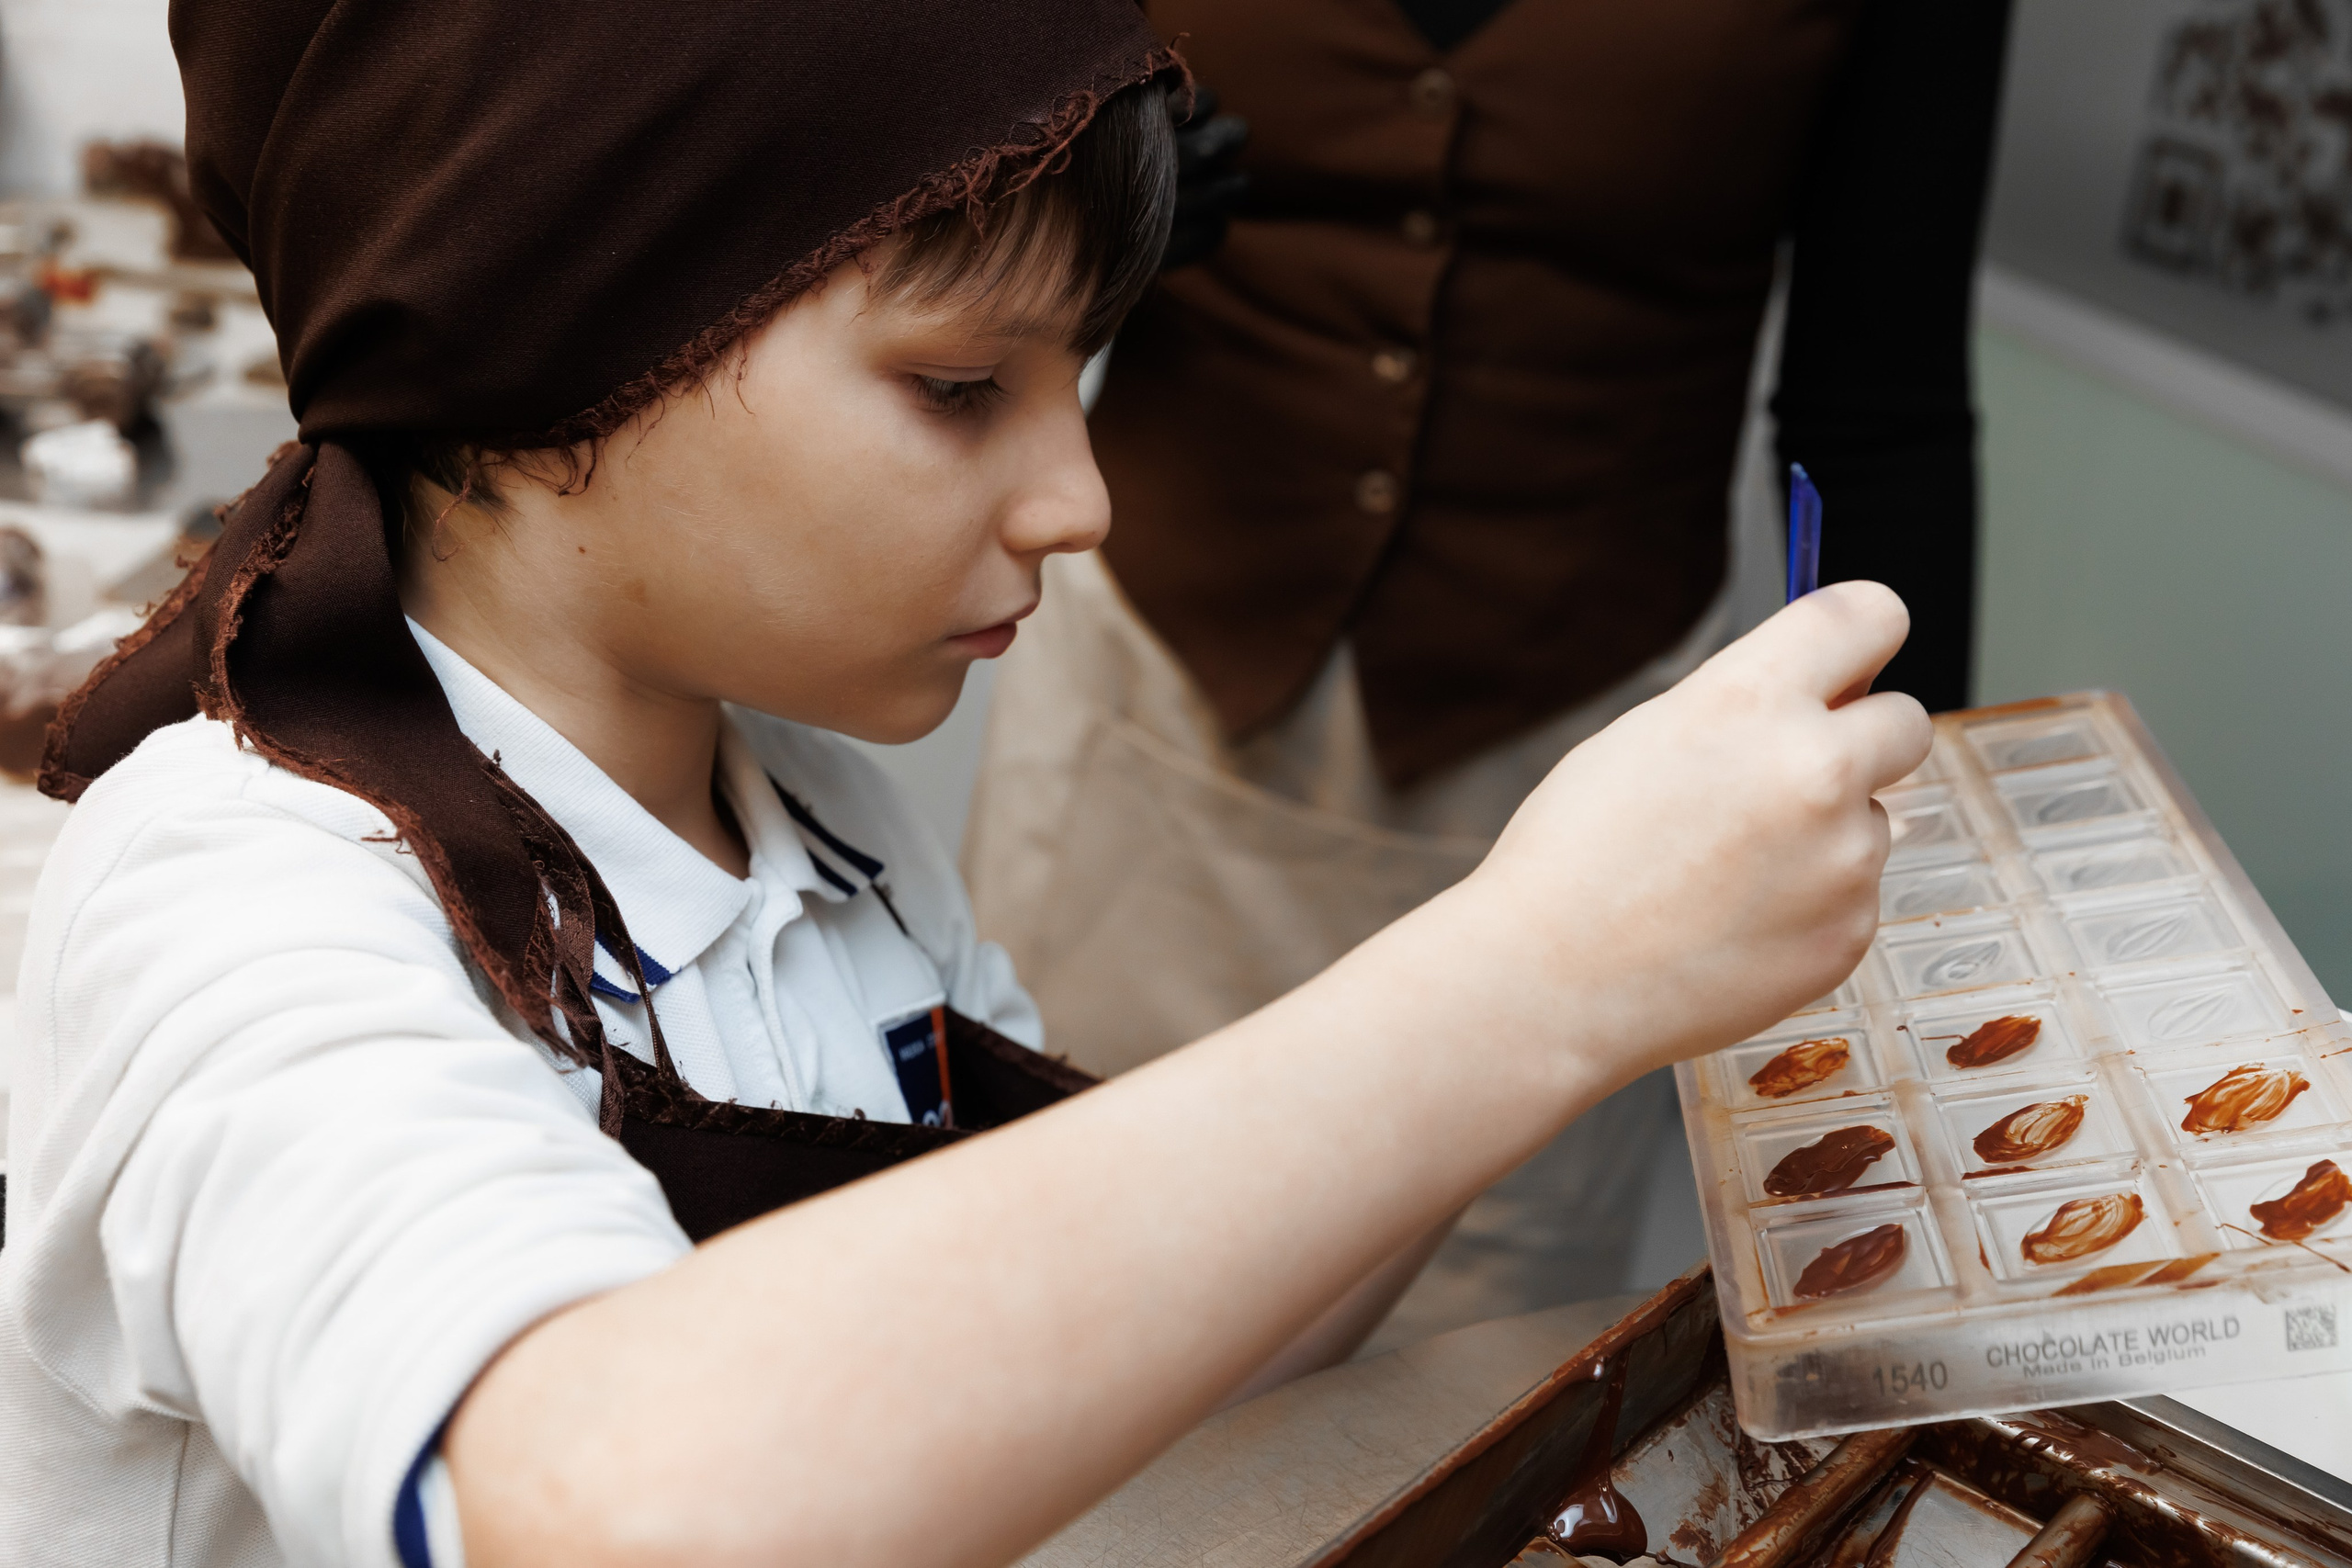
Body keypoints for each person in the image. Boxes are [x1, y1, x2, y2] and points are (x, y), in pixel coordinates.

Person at [0, 3, 1929, 1565]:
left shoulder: (821, 824)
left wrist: (1583, 986)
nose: (1076, 499)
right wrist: (1532, 970)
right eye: (956, 387)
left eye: (1080, 381)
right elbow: (602, 1500)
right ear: (555, 344)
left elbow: (1130, 1327)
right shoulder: (245, 886)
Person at [962, 0, 2013, 1337]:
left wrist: (1924, 870)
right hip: (1156, 696)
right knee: (1039, 1270)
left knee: (1424, 1377)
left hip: (1567, 749)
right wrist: (1097, 206)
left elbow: (1882, 406)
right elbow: (929, 177)